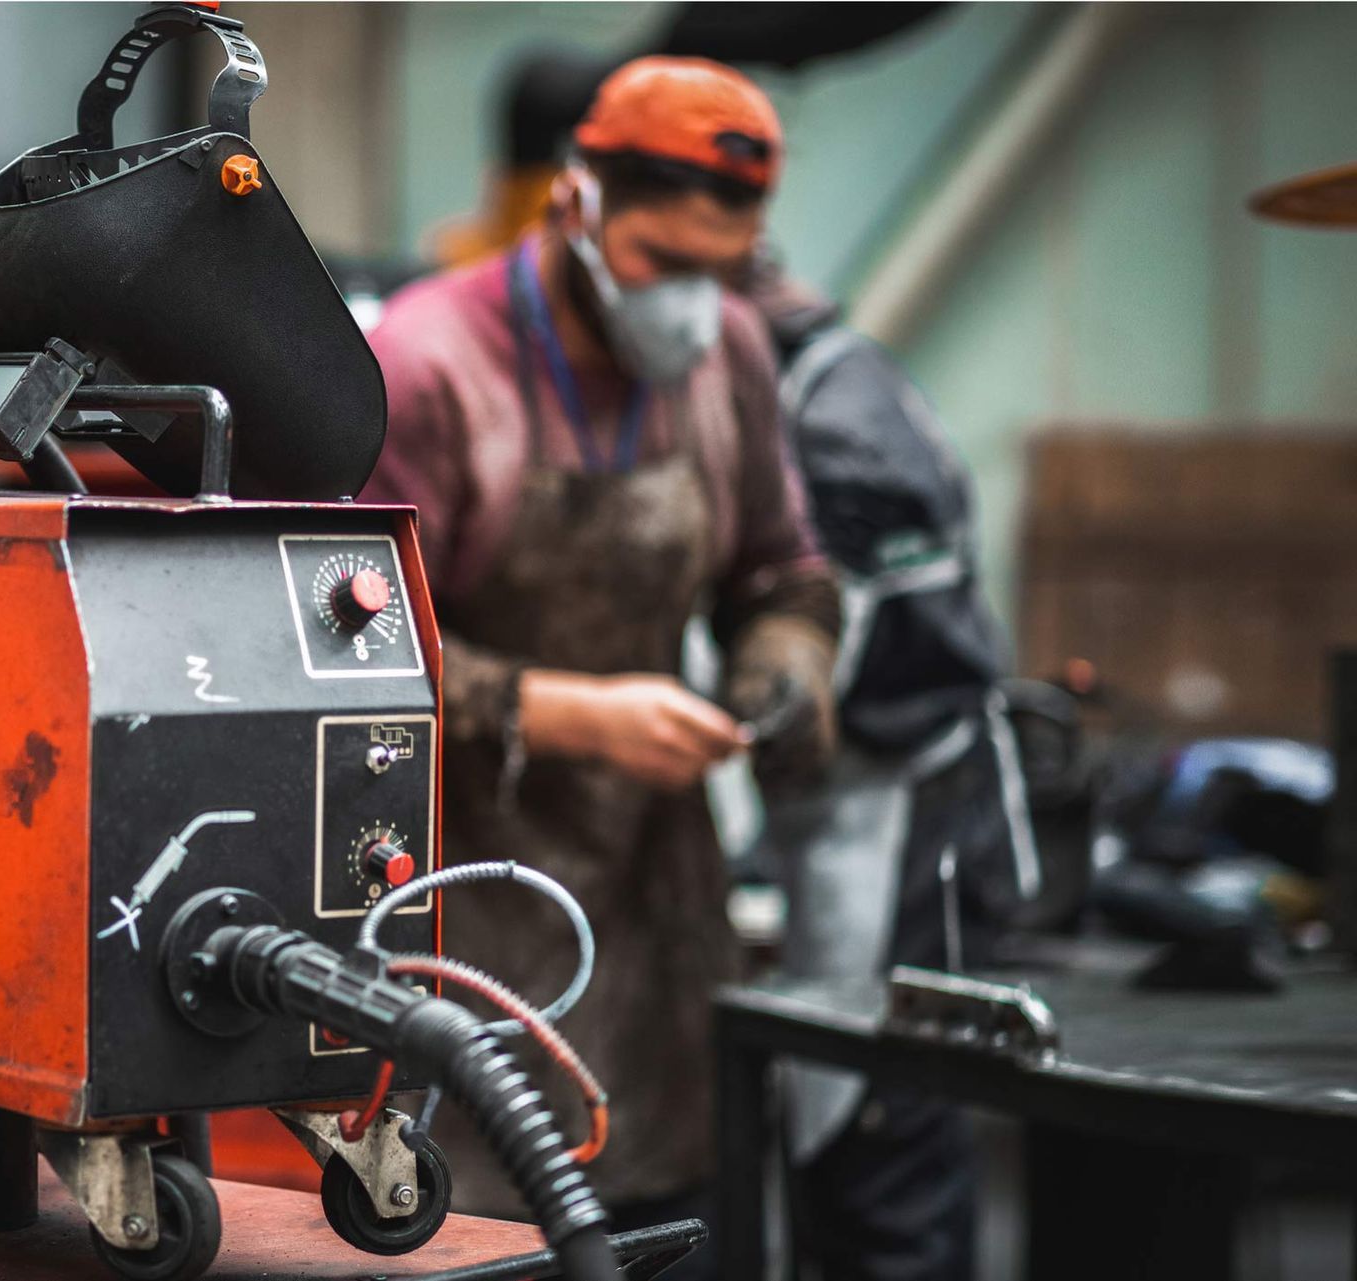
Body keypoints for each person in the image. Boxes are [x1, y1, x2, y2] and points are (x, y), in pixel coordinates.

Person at [362, 58, 840, 1245]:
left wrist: (783, 658)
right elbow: (336, 641)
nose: (691, 298)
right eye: (661, 263)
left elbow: (782, 570)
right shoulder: (429, 365)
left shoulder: (727, 356)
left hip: (658, 894)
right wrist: (559, 712)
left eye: (717, 269)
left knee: (673, 1208)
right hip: (461, 901)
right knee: (482, 1225)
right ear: (575, 204)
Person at [745, 261, 1041, 1280]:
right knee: (843, 1146)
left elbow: (882, 669)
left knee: (883, 1154)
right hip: (861, 821)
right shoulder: (827, 384)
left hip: (904, 824)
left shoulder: (839, 425)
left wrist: (750, 699)